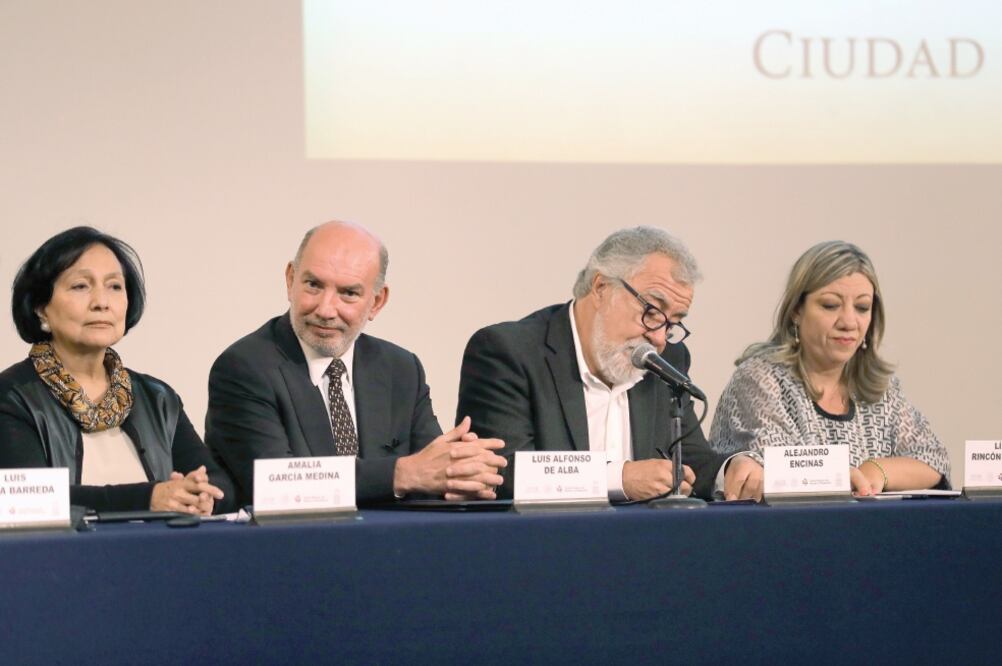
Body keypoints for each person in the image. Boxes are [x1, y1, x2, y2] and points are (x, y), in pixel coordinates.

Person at [205, 221, 506, 506]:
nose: (325, 309)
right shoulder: (245, 368)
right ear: (290, 279)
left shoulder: (400, 369)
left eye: (348, 293)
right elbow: (275, 484)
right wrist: (401, 474)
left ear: (377, 302)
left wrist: (463, 475)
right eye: (313, 285)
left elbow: (432, 470)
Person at [457, 226, 759, 501]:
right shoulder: (509, 352)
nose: (659, 338)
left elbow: (688, 458)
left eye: (672, 324)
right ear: (601, 288)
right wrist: (619, 478)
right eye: (652, 311)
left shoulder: (666, 361)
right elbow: (501, 472)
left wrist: (731, 468)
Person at [0, 227, 233, 514]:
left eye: (114, 286)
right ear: (41, 309)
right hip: (61, 558)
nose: (101, 302)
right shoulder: (12, 396)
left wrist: (201, 494)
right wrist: (148, 499)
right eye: (80, 286)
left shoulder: (156, 397)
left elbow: (220, 482)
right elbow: (28, 498)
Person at [709, 240, 950, 497]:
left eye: (862, 308)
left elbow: (934, 459)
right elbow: (784, 468)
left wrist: (877, 470)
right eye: (830, 305)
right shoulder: (760, 379)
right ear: (796, 311)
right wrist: (844, 475)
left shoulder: (881, 388)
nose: (848, 322)